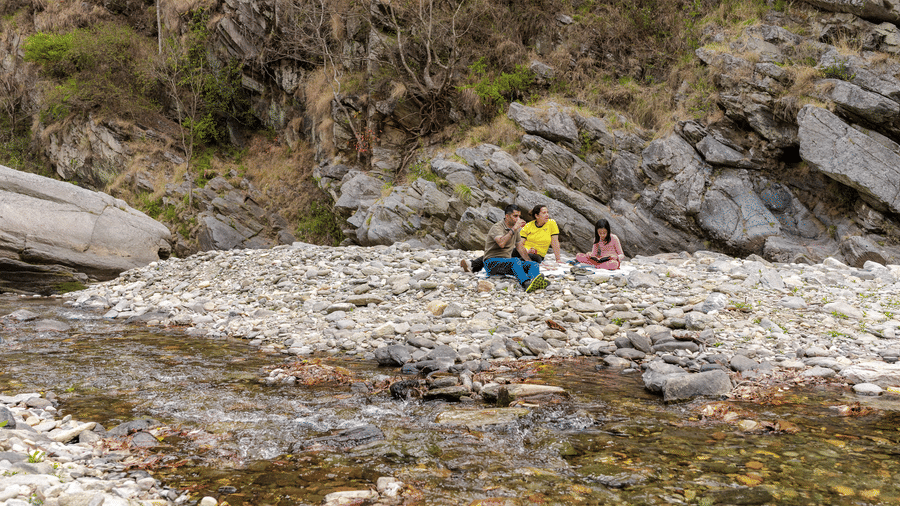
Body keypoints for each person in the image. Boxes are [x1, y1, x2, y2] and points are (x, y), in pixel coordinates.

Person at [479, 204, 549, 292]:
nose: (518, 219)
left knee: (533, 264)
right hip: (491, 263)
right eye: (515, 216)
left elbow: (520, 248)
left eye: (519, 216)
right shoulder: (497, 227)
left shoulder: (515, 230)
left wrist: (528, 262)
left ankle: (535, 280)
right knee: (515, 261)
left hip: (506, 262)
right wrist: (514, 229)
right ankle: (526, 283)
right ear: (507, 216)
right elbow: (501, 243)